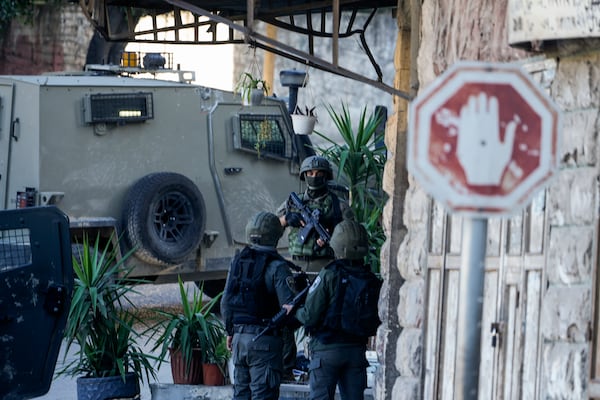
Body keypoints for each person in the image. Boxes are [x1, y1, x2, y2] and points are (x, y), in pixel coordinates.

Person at [283, 220, 382, 400]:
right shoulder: (370, 278)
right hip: (356, 351)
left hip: (326, 350)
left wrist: (293, 310)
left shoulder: (329, 274)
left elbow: (309, 316)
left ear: (337, 246)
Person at [221, 211, 299, 400]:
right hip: (265, 343)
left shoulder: (238, 261)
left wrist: (230, 332)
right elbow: (289, 309)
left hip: (239, 341)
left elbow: (226, 301)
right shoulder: (278, 267)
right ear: (275, 236)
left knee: (241, 396)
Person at [277, 155, 354, 274]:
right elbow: (271, 227)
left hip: (326, 266)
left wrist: (333, 234)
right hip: (296, 264)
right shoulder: (292, 202)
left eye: (319, 174)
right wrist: (286, 219)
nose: (314, 177)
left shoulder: (339, 205)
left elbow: (351, 239)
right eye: (310, 173)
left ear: (326, 176)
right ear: (304, 175)